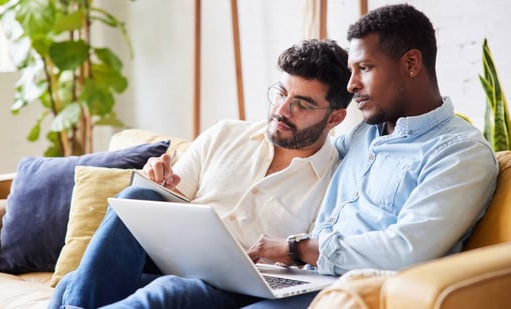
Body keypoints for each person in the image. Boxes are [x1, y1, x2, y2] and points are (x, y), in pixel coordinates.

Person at [49, 38, 353, 309]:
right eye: (281, 93)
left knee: (166, 290)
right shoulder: (225, 134)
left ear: (335, 118)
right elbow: (174, 200)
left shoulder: (335, 179)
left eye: (301, 104)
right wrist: (159, 186)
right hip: (173, 261)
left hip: (241, 289)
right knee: (137, 196)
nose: (282, 110)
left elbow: (314, 261)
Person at [244, 3, 499, 307]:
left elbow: (408, 249)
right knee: (178, 293)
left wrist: (298, 249)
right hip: (305, 279)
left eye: (364, 68)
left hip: (359, 293)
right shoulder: (363, 135)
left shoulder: (460, 153)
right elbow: (309, 159)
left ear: (412, 64)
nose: (351, 85)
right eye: (352, 71)